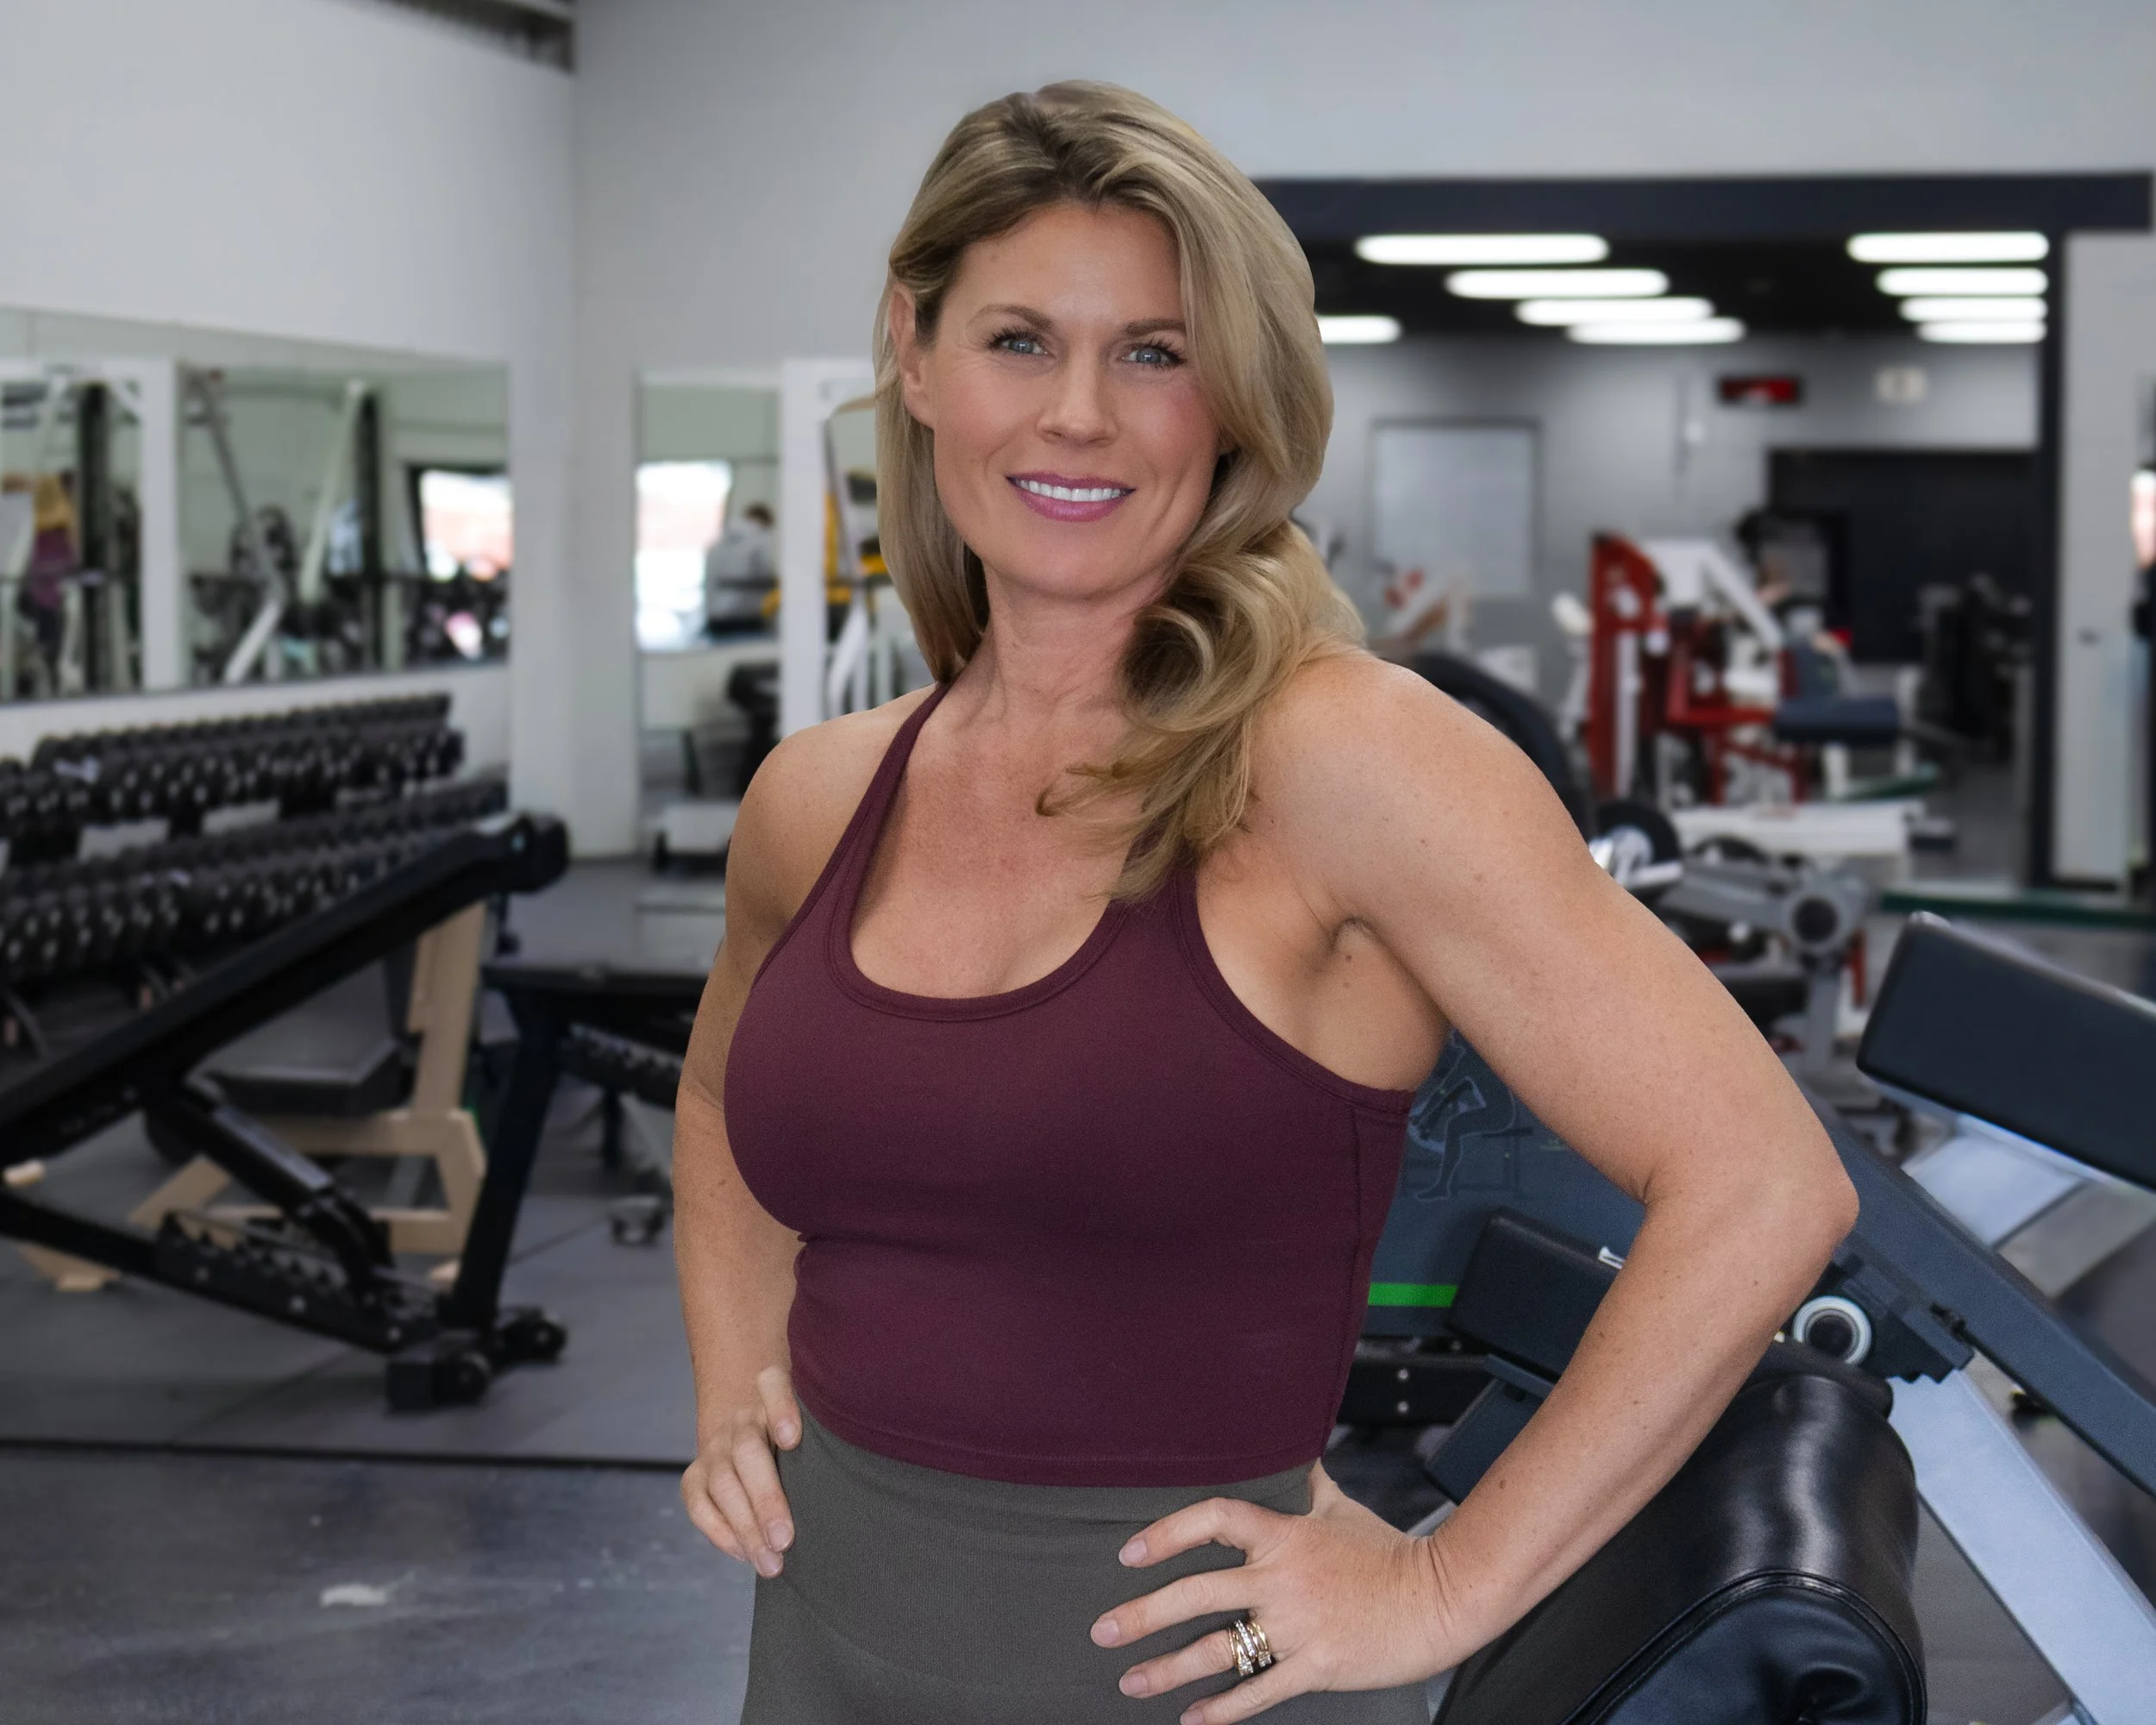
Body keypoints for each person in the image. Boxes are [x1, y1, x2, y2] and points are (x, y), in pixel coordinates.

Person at [674, 83, 1858, 1724]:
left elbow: (1764, 1181)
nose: (1078, 415)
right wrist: (737, 1377)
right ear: (914, 352)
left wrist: (1443, 1585)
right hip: (821, 1650)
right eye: (1019, 341)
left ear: (1232, 397)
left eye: (1153, 354)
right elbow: (719, 1095)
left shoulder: (1348, 763)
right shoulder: (818, 800)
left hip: (1197, 1681)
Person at [704, 500, 777, 636]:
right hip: (745, 619)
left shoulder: (717, 544)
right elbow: (765, 573)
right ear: (766, 522)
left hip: (715, 618)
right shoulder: (760, 540)